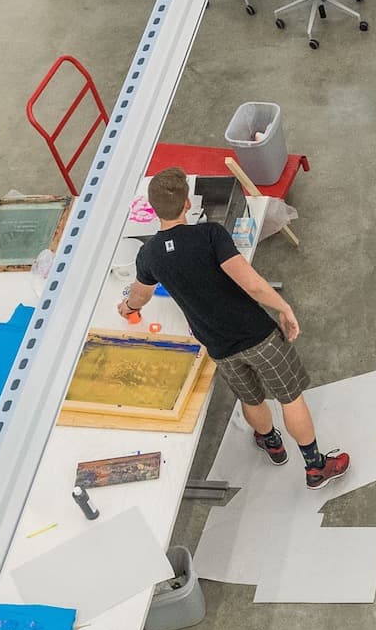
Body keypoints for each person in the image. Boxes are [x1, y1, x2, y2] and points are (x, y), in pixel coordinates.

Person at [121, 169, 350, 490]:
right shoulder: (210, 235)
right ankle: (316, 467)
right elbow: (251, 284)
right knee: (289, 397)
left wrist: (129, 308)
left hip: (219, 346)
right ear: (187, 203)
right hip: (257, 334)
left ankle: (271, 443)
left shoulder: (149, 255)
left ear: (153, 209)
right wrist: (283, 308)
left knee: (251, 398)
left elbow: (141, 294)